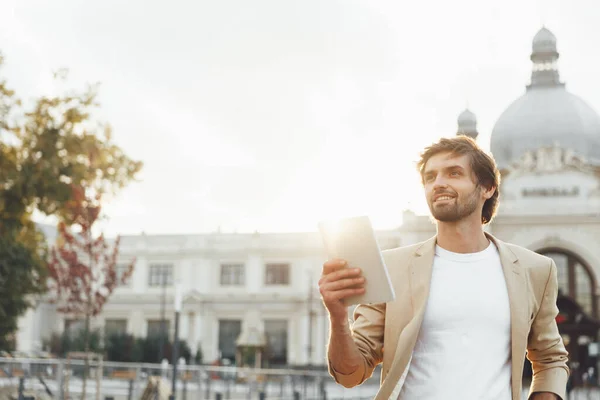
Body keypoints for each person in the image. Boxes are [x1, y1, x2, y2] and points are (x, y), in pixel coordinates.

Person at [319, 136, 569, 400]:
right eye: (430, 177)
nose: (438, 183)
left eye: (454, 173)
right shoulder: (391, 267)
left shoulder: (535, 269)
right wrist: (337, 318)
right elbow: (350, 374)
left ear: (488, 187)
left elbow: (551, 359)